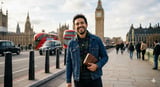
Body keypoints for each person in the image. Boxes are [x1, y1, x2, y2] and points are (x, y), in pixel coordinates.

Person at [66, 14, 108, 87]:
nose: (80, 25)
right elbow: (69, 63)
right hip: (78, 80)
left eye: (82, 23)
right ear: (74, 27)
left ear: (86, 25)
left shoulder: (97, 40)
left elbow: (105, 57)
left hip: (95, 78)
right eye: (77, 24)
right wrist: (68, 81)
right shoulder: (71, 43)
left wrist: (97, 65)